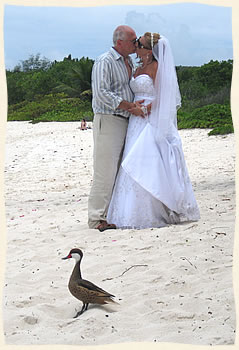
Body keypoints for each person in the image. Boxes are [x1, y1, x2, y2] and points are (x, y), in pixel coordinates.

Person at [107, 32, 200, 229]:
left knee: (147, 160)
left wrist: (146, 109)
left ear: (149, 51)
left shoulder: (157, 68)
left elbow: (165, 96)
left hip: (150, 118)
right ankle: (127, 210)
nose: (135, 48)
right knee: (131, 159)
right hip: (135, 119)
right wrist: (133, 107)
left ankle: (153, 209)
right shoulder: (137, 67)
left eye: (138, 45)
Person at [88, 25, 144, 232]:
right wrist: (130, 106)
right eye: (133, 40)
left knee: (120, 169)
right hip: (109, 119)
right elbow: (101, 93)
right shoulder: (105, 61)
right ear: (120, 42)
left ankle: (110, 213)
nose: (136, 44)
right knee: (105, 171)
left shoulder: (128, 61)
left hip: (125, 121)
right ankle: (96, 218)